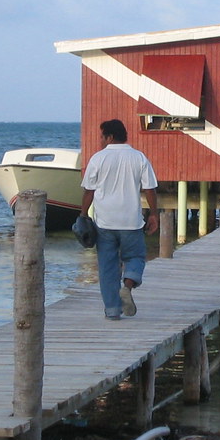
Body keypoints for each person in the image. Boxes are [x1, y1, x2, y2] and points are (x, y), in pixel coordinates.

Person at [79, 119, 159, 320]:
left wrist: (82, 215)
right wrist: (154, 214)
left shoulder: (98, 159)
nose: (100, 140)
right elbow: (150, 189)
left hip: (105, 222)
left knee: (107, 266)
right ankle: (128, 285)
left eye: (102, 136)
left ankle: (112, 311)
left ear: (110, 137)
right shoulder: (139, 158)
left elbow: (89, 191)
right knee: (136, 258)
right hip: (131, 221)